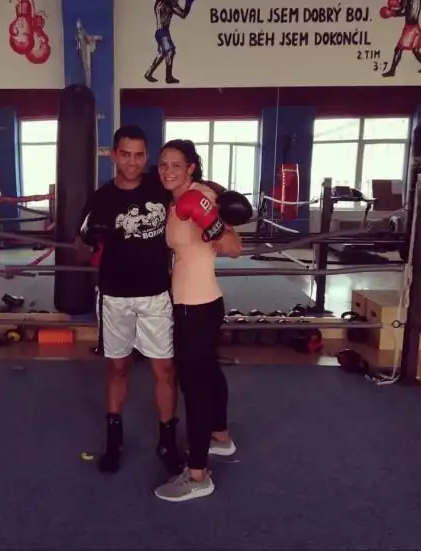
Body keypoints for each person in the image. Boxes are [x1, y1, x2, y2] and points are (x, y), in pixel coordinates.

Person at [79, 126, 183, 476]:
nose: (133, 162)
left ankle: (167, 442)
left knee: (164, 369)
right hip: (115, 297)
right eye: (125, 154)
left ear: (146, 157)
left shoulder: (159, 185)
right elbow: (79, 249)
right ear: (114, 155)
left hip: (156, 295)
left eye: (139, 155)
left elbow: (195, 184)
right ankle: (114, 441)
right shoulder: (100, 198)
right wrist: (91, 238)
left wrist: (218, 197)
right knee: (117, 368)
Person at [154, 139, 248, 503]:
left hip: (197, 306)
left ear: (191, 167)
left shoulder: (199, 196)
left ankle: (197, 474)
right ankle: (220, 437)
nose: (168, 171)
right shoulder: (177, 198)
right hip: (194, 302)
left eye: (176, 164)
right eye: (163, 164)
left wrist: (209, 220)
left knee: (195, 387)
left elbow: (234, 248)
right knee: (208, 372)